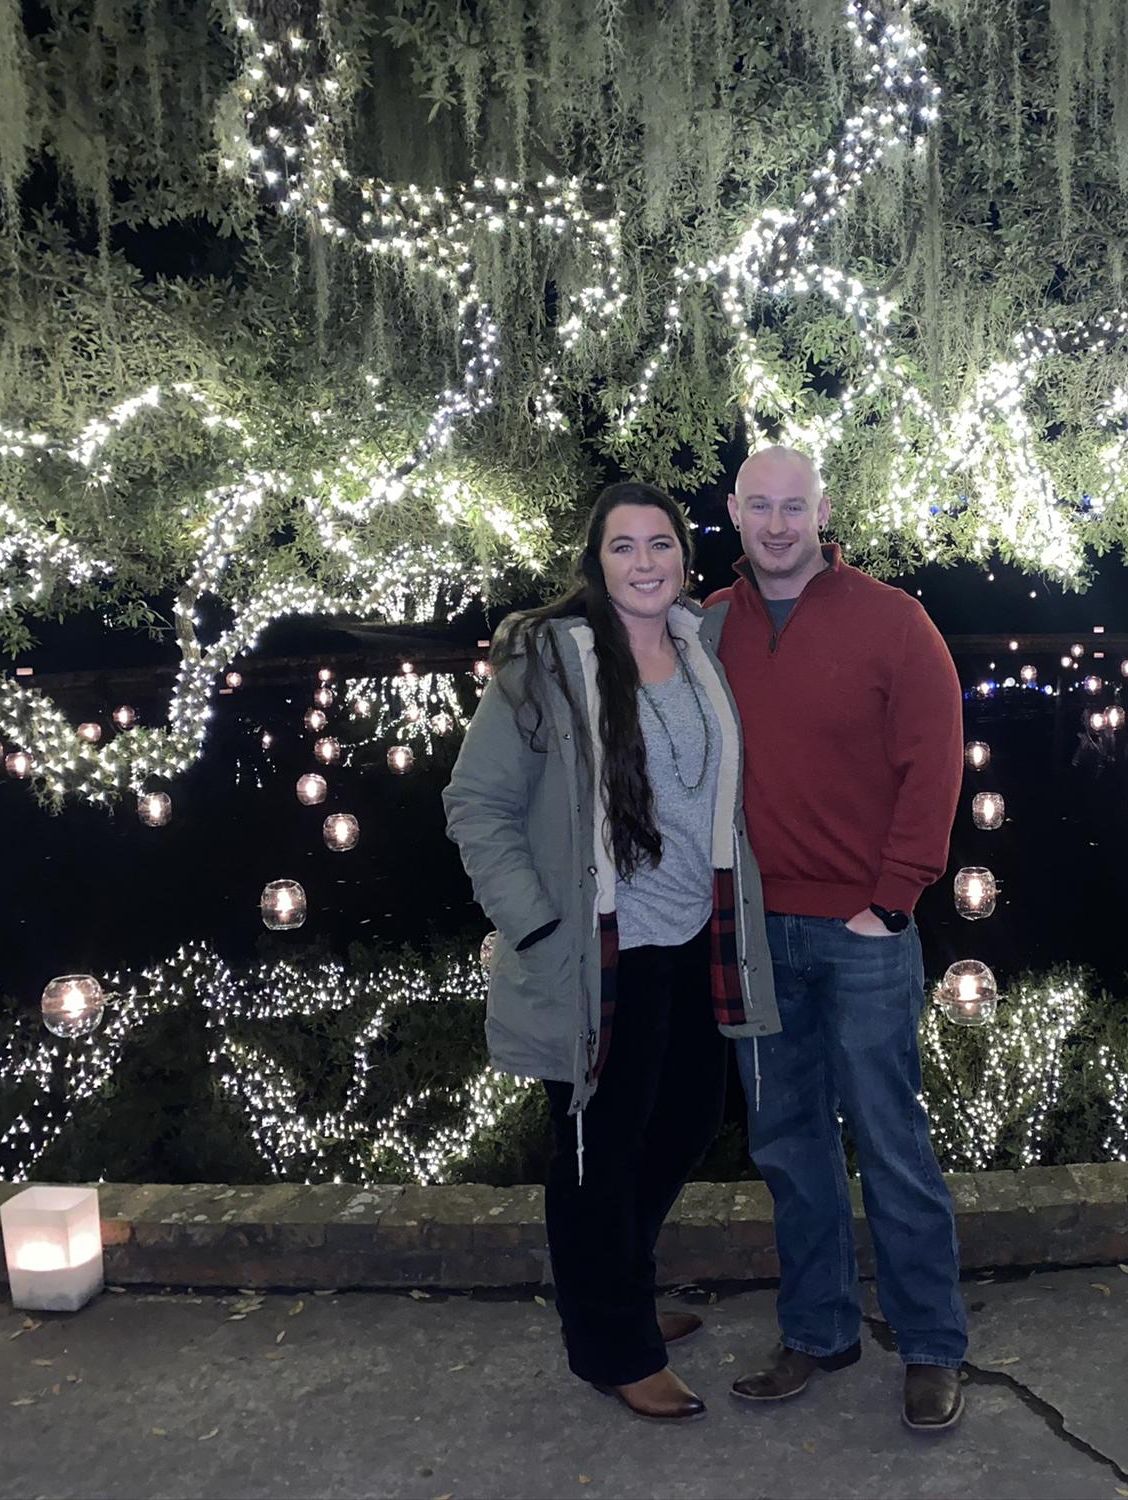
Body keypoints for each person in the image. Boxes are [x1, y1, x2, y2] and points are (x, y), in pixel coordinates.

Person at [443, 480, 781, 1423]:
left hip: (690, 939)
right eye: (623, 547)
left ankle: (617, 1291)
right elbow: (476, 806)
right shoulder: (545, 664)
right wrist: (539, 924)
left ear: (685, 556)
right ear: (596, 562)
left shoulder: (702, 649)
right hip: (596, 955)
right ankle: (612, 1347)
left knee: (683, 1125)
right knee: (594, 1150)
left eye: (661, 545)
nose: (644, 563)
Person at [707, 445, 970, 1431]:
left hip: (862, 931)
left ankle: (932, 1340)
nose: (777, 525)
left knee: (890, 1139)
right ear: (733, 512)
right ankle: (817, 1330)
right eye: (759, 506)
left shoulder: (892, 624)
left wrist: (893, 898)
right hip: (753, 933)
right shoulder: (708, 629)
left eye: (794, 507)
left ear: (821, 512)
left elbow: (933, 761)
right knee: (786, 1144)